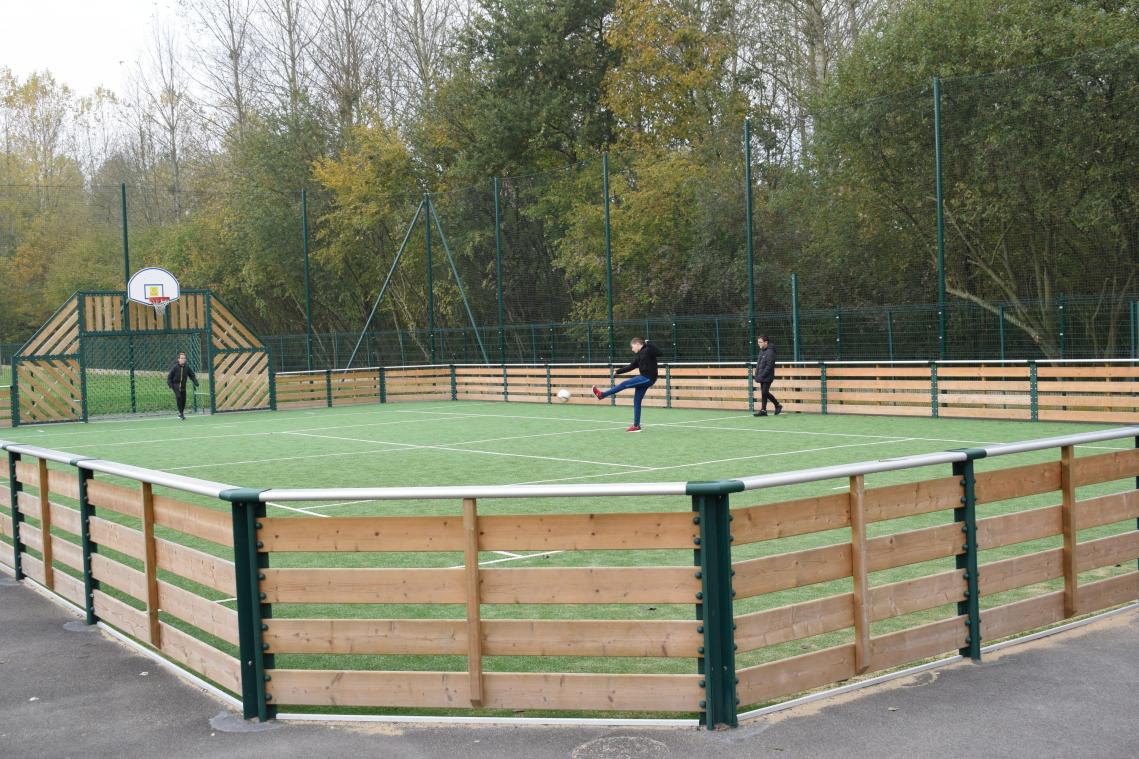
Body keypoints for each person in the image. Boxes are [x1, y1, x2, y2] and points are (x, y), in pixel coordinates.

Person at [592, 337, 661, 432]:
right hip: (645, 378)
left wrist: (649, 343)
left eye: (632, 347)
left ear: (637, 344)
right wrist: (618, 371)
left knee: (624, 384)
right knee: (636, 401)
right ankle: (636, 426)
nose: (632, 349)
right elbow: (631, 366)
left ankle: (602, 395)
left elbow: (660, 353)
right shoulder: (640, 355)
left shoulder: (648, 350)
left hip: (647, 378)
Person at [753, 335, 782, 417]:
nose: (759, 344)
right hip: (761, 376)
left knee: (764, 392)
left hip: (768, 376)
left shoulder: (770, 352)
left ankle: (777, 404)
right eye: (758, 342)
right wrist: (757, 375)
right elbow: (759, 365)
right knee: (764, 393)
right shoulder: (762, 351)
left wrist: (762, 375)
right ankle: (763, 410)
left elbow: (769, 366)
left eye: (760, 342)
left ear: (766, 342)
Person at [167, 352, 199, 420]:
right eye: (181, 358)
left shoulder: (187, 367)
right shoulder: (175, 367)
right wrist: (170, 385)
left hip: (183, 386)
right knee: (179, 397)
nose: (183, 359)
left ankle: (181, 413)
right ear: (178, 359)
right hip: (175, 385)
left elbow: (192, 375)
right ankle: (181, 413)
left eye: (184, 358)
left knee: (183, 400)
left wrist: (195, 382)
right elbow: (169, 377)